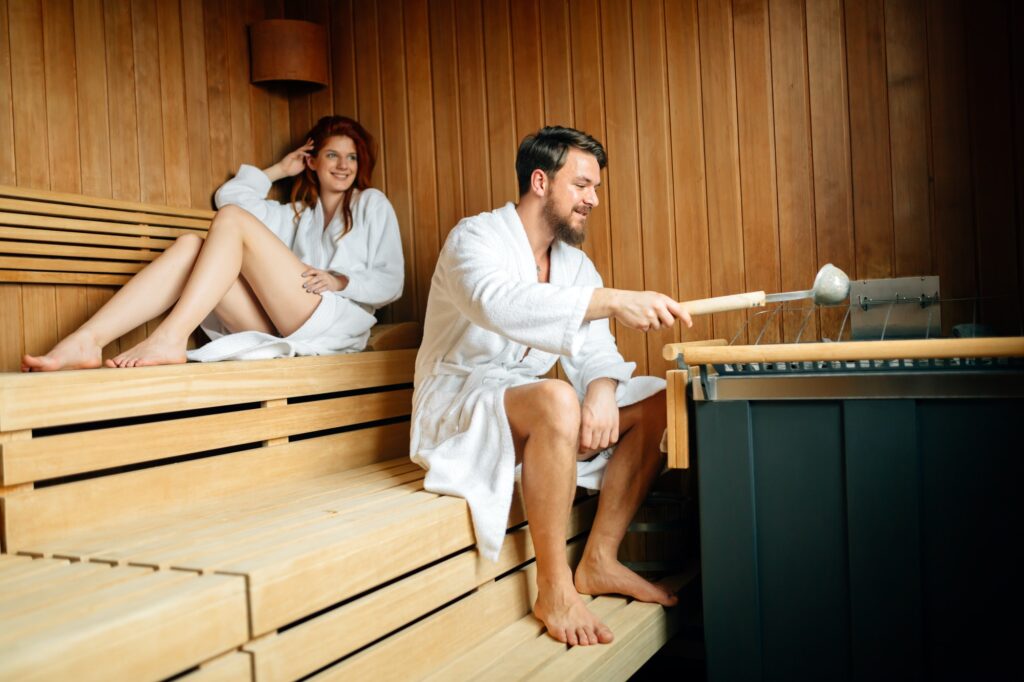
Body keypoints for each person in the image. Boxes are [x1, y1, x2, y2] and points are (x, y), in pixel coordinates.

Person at [410, 126, 692, 646]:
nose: (594, 199)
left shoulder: (573, 263)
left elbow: (596, 351)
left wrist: (604, 390)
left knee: (656, 399)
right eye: (583, 185)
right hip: (457, 406)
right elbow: (497, 303)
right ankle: (555, 586)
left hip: (531, 410)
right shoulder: (474, 239)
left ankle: (600, 559)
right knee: (558, 397)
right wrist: (610, 299)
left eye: (596, 188)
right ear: (540, 181)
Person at [22, 116, 403, 371]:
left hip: (334, 322)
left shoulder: (372, 204)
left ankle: (170, 337)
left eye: (352, 156)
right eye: (332, 154)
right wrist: (278, 170)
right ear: (312, 162)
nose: (343, 165)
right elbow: (230, 199)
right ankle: (88, 340)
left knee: (231, 225)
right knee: (191, 245)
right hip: (284, 325)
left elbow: (392, 281)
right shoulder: (294, 214)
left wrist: (339, 280)